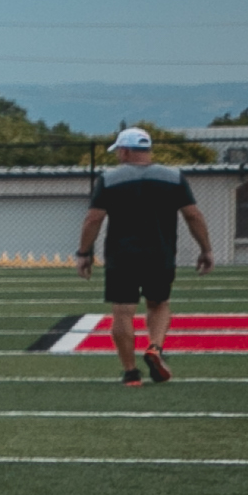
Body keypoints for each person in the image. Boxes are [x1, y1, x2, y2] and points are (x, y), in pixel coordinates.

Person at [78, 127, 217, 384]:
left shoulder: (109, 179)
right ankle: (155, 347)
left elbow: (93, 218)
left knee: (123, 311)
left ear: (125, 150)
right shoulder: (173, 177)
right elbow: (193, 215)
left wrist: (84, 252)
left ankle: (131, 372)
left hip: (122, 255)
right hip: (160, 252)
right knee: (159, 303)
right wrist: (205, 249)